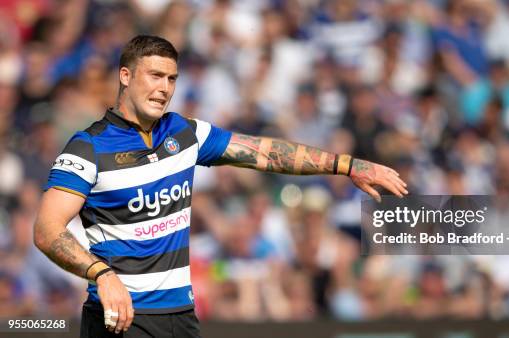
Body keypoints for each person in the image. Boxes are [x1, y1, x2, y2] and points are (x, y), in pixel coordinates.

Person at [32, 35, 408, 337]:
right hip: (120, 317)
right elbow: (47, 230)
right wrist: (102, 274)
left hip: (180, 317)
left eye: (172, 79)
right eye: (154, 76)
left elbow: (262, 152)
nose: (164, 88)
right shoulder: (89, 147)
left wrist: (346, 164)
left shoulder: (184, 132)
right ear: (126, 76)